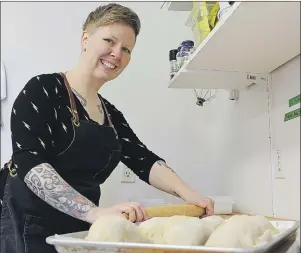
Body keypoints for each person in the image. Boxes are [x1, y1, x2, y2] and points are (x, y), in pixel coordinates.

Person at [0, 3, 214, 253]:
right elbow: (30, 162)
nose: (117, 54)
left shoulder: (110, 115)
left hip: (80, 226)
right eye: (109, 41)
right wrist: (93, 212)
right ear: (85, 38)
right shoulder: (43, 89)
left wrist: (190, 194)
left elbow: (142, 159)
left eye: (126, 49)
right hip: (30, 223)